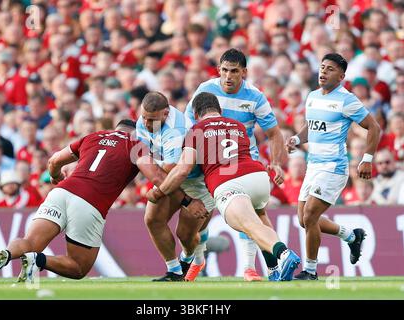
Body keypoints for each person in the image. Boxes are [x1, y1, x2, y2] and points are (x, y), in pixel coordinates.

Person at [0, 120, 206, 283]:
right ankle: (37, 260)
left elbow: (54, 160)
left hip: (61, 192)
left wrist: (56, 177)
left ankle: (6, 254)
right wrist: (187, 201)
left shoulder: (93, 137)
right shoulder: (135, 145)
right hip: (89, 203)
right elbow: (158, 179)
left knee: (30, 240)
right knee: (78, 268)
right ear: (134, 132)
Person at [147, 92, 301, 281]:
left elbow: (182, 170)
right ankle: (273, 270)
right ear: (219, 110)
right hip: (259, 177)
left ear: (195, 114)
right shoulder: (238, 125)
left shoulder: (196, 130)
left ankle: (284, 254)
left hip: (229, 183)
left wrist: (160, 191)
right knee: (259, 218)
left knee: (250, 226)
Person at [185, 48, 287, 281]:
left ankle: (250, 268)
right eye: (224, 71)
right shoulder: (206, 90)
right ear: (218, 70)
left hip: (242, 161)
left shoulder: (255, 96)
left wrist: (276, 163)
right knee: (198, 214)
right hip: (209, 160)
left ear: (244, 72)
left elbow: (273, 133)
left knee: (251, 213)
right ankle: (198, 260)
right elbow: (188, 125)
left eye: (234, 71)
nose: (228, 76)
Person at [286, 53, 381, 280]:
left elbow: (374, 127)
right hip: (313, 166)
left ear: (341, 76)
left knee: (309, 216)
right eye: (322, 67)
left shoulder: (346, 100)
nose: (323, 72)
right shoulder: (312, 97)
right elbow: (313, 126)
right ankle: (351, 236)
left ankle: (310, 271)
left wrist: (366, 159)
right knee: (303, 220)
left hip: (333, 167)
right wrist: (298, 139)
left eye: (330, 69)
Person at [136, 91, 215, 282]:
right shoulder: (142, 122)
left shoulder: (177, 129)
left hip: (198, 180)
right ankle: (174, 271)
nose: (146, 123)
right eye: (144, 117)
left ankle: (189, 257)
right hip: (169, 175)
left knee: (185, 235)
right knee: (152, 219)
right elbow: (143, 158)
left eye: (151, 120)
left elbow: (174, 170)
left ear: (165, 113)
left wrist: (185, 199)